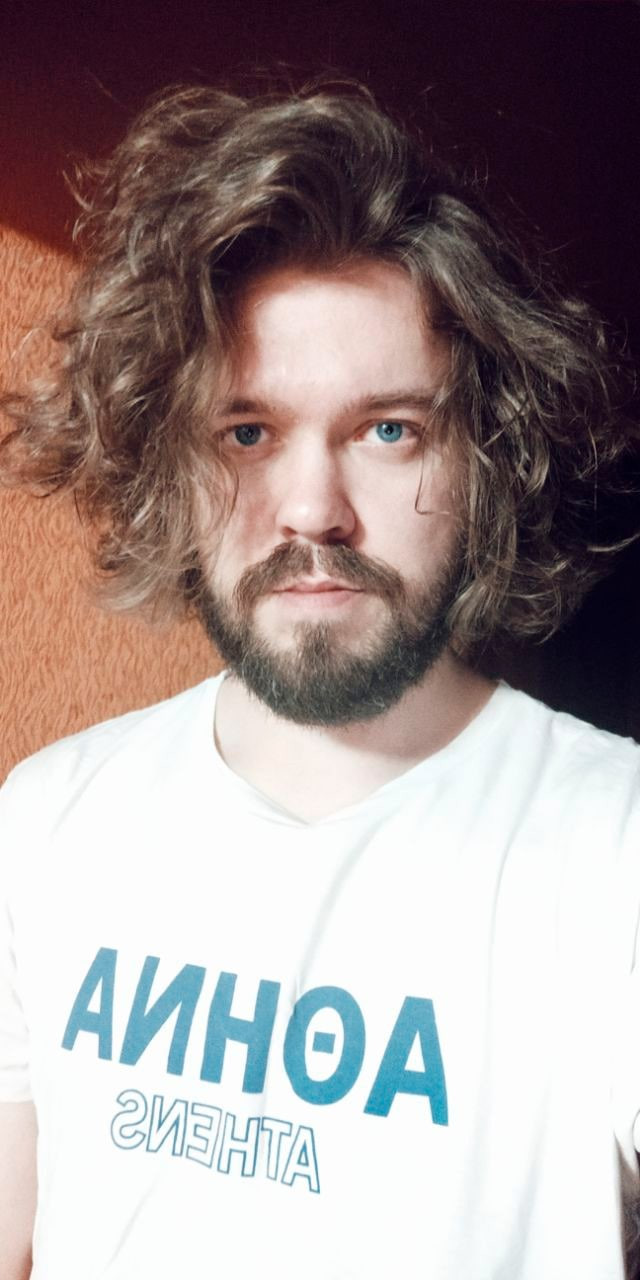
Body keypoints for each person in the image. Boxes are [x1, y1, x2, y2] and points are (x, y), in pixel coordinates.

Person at [0, 84, 639, 1280]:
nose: (311, 510)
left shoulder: (613, 848)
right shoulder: (44, 819)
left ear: (486, 455)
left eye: (388, 429)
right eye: (245, 431)